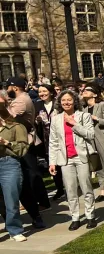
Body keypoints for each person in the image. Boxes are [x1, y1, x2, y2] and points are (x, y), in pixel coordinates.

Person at [48, 91, 97, 230]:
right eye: (63, 100)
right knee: (70, 189)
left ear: (74, 101)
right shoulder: (56, 119)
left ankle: (90, 216)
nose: (66, 103)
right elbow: (53, 142)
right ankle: (75, 217)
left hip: (81, 157)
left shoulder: (84, 116)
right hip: (65, 159)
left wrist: (74, 124)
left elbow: (90, 134)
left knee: (86, 187)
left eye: (69, 100)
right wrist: (52, 162)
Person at [6, 77, 48, 229]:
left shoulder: (21, 101)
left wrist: (4, 105)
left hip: (20, 143)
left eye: (8, 87)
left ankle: (38, 208)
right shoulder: (20, 99)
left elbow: (8, 118)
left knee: (28, 176)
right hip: (12, 146)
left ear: (14, 87)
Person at [0, 91, 29, 241]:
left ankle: (15, 230)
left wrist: (6, 143)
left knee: (11, 198)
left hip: (8, 163)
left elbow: (23, 149)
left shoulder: (16, 126)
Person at [35, 84, 64, 200]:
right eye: (40, 92)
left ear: (51, 92)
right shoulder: (37, 105)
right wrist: (36, 121)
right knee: (53, 164)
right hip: (46, 139)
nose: (42, 94)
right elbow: (35, 123)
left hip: (60, 136)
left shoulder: (58, 103)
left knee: (64, 163)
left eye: (44, 91)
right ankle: (60, 189)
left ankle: (70, 185)